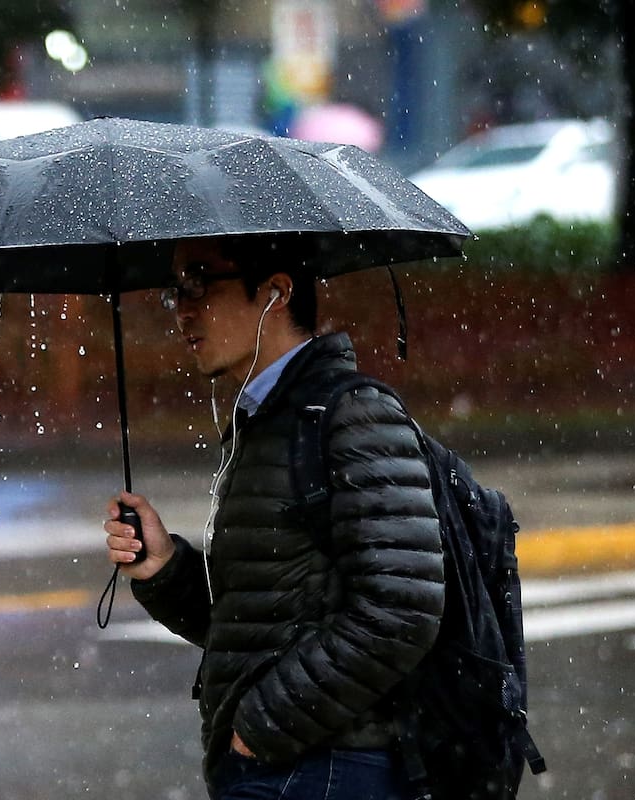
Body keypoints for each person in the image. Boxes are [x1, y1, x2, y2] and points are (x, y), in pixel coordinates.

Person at [103, 237, 446, 800]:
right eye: (175, 290)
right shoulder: (267, 420)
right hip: (282, 763)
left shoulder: (351, 413)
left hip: (326, 768)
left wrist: (264, 724)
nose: (182, 309)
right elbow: (260, 621)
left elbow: (402, 610)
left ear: (276, 292)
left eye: (198, 283)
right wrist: (165, 568)